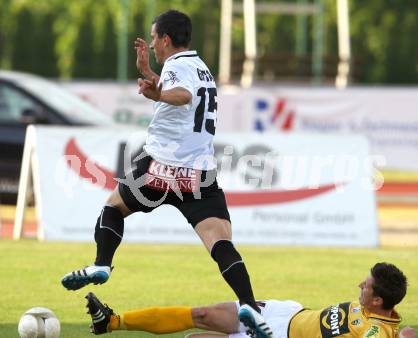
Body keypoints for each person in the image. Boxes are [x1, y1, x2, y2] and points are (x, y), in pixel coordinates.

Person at [61, 9, 272, 338]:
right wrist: (150, 73)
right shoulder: (201, 69)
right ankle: (247, 303)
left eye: (155, 37)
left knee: (113, 207)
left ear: (166, 39)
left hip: (160, 170)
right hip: (199, 178)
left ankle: (102, 263)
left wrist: (158, 92)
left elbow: (181, 96)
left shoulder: (177, 67)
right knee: (220, 241)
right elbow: (187, 96)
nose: (153, 44)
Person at [84, 262, 416, 338]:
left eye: (367, 286)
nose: (360, 284)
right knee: (201, 313)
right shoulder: (376, 310)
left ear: (377, 302)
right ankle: (112, 321)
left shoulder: (377, 329)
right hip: (286, 312)